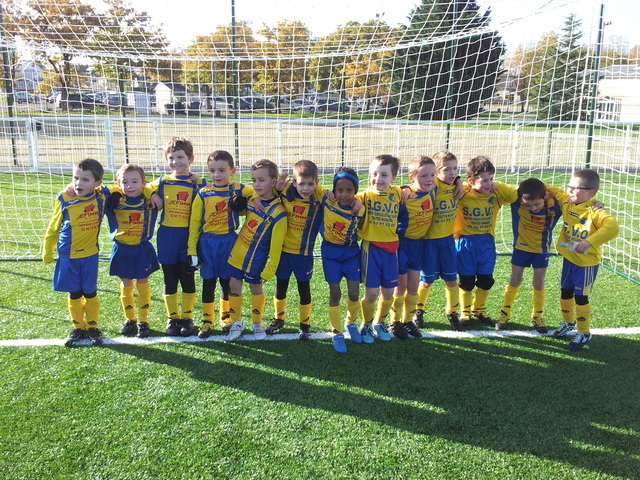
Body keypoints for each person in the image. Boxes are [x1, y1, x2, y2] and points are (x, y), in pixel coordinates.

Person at [548, 169, 619, 350]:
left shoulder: (595, 211)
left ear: (591, 192)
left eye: (575, 188)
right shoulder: (567, 202)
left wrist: (589, 242)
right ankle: (568, 323)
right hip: (569, 259)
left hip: (586, 264)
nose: (570, 191)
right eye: (569, 186)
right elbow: (552, 189)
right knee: (565, 292)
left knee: (581, 297)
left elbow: (613, 227)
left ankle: (584, 332)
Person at [42, 158, 109, 347]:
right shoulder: (64, 198)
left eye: (85, 180)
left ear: (97, 183)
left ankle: (93, 327)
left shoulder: (101, 197)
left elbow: (119, 186)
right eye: (75, 178)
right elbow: (53, 227)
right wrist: (47, 251)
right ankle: (78, 327)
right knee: (74, 293)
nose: (78, 183)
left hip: (90, 255)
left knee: (90, 292)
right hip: (68, 256)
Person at [187, 150, 252, 338]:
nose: (217, 175)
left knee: (226, 282)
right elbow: (194, 223)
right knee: (208, 282)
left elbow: (258, 192)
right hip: (207, 244)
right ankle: (207, 321)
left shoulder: (238, 189)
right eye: (212, 170)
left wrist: (246, 201)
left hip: (229, 242)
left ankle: (227, 318)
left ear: (232, 171)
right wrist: (192, 250)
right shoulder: (203, 193)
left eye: (222, 170)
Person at [226, 159, 288, 341]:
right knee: (233, 286)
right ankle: (236, 322)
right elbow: (239, 198)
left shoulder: (279, 214)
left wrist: (270, 270)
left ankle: (257, 322)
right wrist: (252, 197)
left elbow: (276, 247)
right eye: (254, 180)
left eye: (261, 180)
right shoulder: (252, 201)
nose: (256, 184)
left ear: (273, 181)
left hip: (256, 260)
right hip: (237, 254)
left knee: (256, 289)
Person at [265, 160, 326, 340]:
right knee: (280, 286)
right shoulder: (284, 192)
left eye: (310, 184)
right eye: (301, 184)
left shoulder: (319, 197)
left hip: (303, 254)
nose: (306, 188)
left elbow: (333, 195)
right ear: (294, 182)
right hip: (283, 252)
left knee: (303, 289)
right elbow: (268, 193)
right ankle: (278, 319)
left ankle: (305, 324)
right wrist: (276, 189)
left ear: (316, 182)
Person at [454, 156, 517, 328]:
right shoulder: (462, 192)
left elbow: (515, 195)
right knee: (466, 281)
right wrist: (458, 181)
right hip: (465, 243)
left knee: (486, 279)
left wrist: (498, 185)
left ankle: (479, 308)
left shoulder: (496, 193)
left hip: (486, 243)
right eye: (484, 180)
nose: (489, 184)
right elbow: (443, 188)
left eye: (491, 179)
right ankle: (465, 312)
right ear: (471, 181)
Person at [152, 136, 206, 337]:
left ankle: (187, 317)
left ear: (191, 158)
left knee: (187, 276)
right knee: (170, 278)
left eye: (180, 157)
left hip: (189, 237)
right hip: (167, 236)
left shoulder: (199, 183)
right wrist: (152, 194)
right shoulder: (162, 181)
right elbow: (144, 186)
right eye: (171, 158)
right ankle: (172, 317)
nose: (175, 162)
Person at [495, 178, 562, 333]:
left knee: (538, 282)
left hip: (541, 250)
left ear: (545, 196)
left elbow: (573, 203)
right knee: (515, 279)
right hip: (521, 248)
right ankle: (505, 313)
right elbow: (499, 185)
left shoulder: (555, 205)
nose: (533, 208)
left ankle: (537, 316)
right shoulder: (516, 200)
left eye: (537, 204)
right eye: (528, 206)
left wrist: (596, 204)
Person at [106, 164, 160, 338]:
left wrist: (151, 192)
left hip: (142, 248)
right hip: (122, 249)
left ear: (143, 183)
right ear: (119, 184)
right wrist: (115, 191)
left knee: (143, 283)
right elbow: (99, 189)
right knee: (126, 283)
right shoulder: (115, 200)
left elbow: (161, 183)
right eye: (125, 182)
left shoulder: (149, 200)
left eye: (135, 181)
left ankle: (143, 321)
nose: (129, 186)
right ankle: (130, 319)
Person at [414, 151, 463, 331]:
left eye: (455, 169)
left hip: (448, 242)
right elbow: (414, 187)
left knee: (452, 280)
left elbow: (465, 181)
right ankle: (418, 310)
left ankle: (452, 312)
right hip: (429, 243)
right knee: (426, 281)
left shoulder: (456, 186)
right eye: (446, 169)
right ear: (436, 172)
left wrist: (459, 180)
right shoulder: (432, 186)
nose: (452, 173)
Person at [356, 154, 403, 343]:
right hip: (372, 249)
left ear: (393, 178)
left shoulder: (398, 193)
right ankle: (366, 325)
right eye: (374, 174)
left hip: (392, 250)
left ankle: (379, 322)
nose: (378, 179)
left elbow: (408, 189)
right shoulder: (364, 196)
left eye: (384, 175)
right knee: (372, 293)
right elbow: (347, 199)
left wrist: (407, 189)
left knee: (389, 292)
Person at [391, 155, 436, 339]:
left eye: (432, 175)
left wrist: (457, 180)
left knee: (413, 286)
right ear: (412, 177)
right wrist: (405, 188)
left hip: (418, 245)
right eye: (424, 176)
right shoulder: (405, 195)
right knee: (400, 287)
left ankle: (408, 320)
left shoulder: (433, 190)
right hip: (402, 245)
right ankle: (394, 321)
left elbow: (450, 181)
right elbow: (390, 191)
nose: (429, 179)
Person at [321, 167, 365, 353]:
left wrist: (360, 202)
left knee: (354, 292)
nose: (344, 194)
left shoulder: (360, 208)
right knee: (335, 293)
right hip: (330, 253)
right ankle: (337, 332)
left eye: (349, 190)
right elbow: (312, 186)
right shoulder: (326, 201)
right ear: (334, 190)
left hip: (351, 253)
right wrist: (327, 192)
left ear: (355, 191)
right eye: (339, 190)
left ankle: (351, 324)